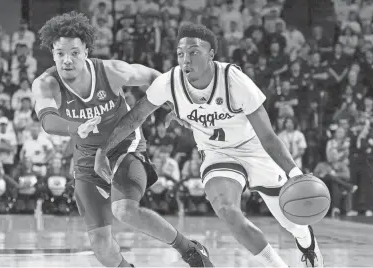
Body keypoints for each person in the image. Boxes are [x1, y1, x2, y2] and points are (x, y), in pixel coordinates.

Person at [95, 22, 324, 268]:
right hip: (217, 154)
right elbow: (135, 117)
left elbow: (268, 136)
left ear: (211, 55)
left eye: (194, 52)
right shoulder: (169, 82)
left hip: (254, 148)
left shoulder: (234, 80)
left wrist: (294, 173)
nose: (185, 60)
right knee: (227, 210)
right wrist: (102, 151)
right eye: (181, 53)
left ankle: (307, 243)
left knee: (292, 220)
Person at [32, 12, 213, 268]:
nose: (67, 60)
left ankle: (190, 250)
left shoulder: (110, 71)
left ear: (86, 50)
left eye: (74, 52)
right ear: (52, 52)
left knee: (124, 210)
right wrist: (76, 127)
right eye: (60, 53)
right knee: (100, 244)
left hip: (124, 144)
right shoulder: (45, 83)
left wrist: (175, 102)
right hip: (85, 157)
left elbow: (154, 77)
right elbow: (48, 120)